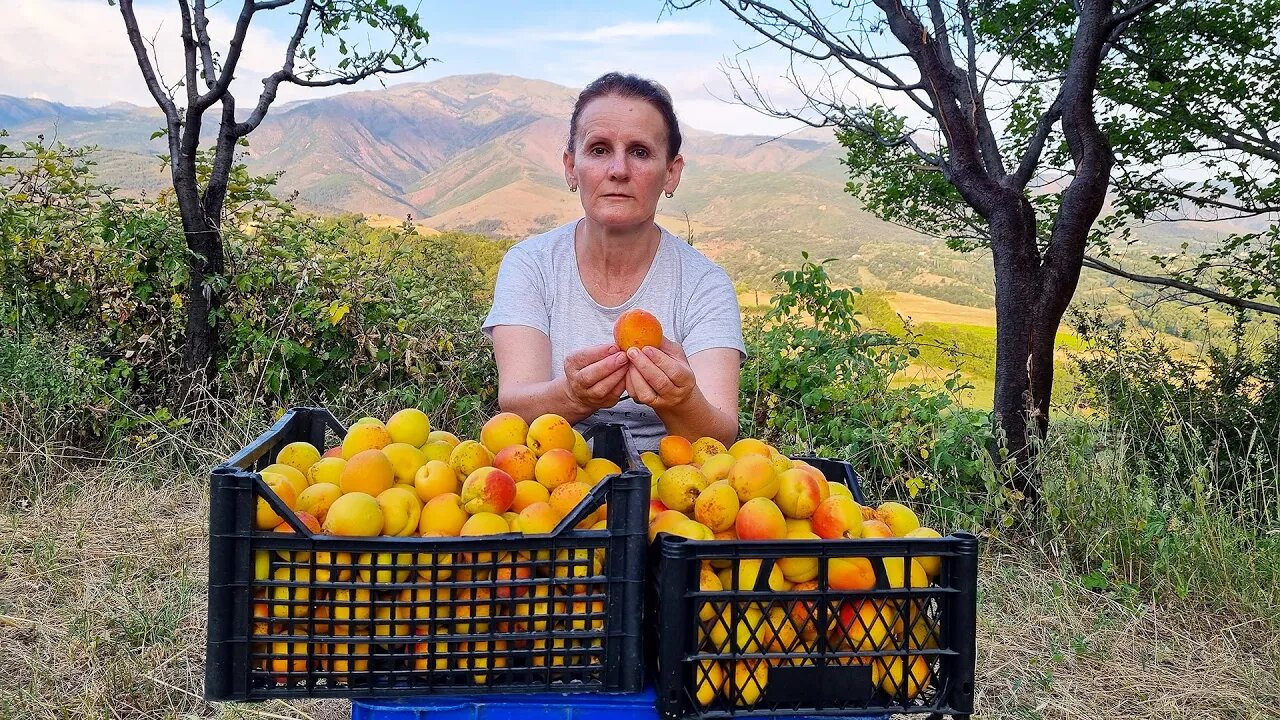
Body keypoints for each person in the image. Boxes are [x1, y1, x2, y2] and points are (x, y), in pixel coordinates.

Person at [482, 72, 745, 453]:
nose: (618, 170)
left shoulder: (705, 284)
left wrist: (681, 400)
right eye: (599, 150)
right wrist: (573, 395)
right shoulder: (531, 265)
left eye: (639, 152)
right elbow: (517, 404)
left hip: (673, 488)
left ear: (671, 173)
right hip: (550, 475)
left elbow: (720, 433)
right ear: (572, 168)